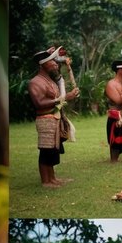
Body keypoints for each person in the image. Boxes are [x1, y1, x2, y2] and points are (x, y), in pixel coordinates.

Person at [28, 47, 78, 187]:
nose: (56, 64)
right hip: (45, 120)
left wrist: (67, 97)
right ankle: (46, 181)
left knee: (53, 150)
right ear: (43, 64)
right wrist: (63, 98)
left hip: (55, 119)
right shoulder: (35, 82)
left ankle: (53, 179)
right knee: (46, 150)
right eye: (53, 62)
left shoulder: (51, 80)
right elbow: (39, 103)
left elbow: (58, 97)